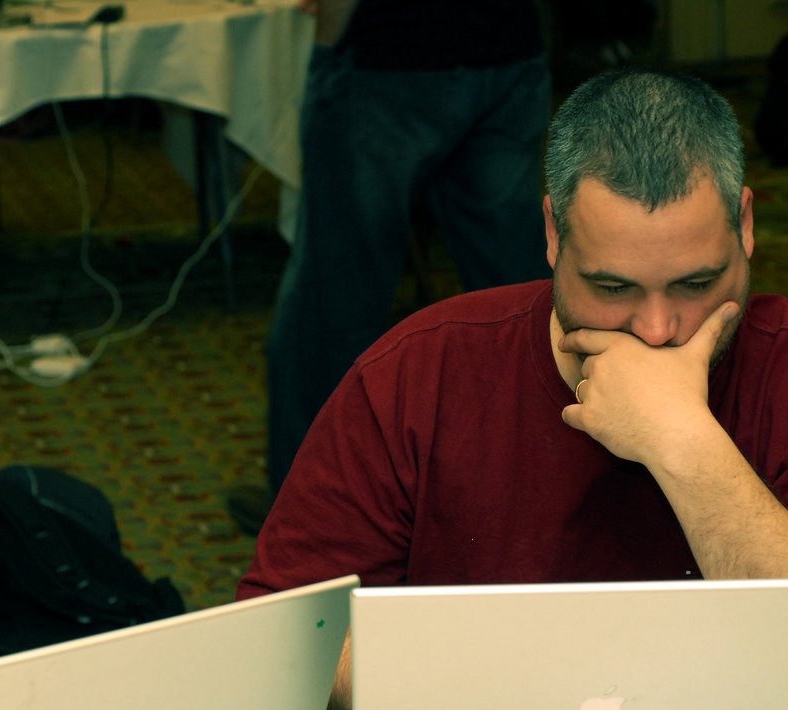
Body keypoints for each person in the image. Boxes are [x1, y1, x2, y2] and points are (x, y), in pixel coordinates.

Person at [236, 68, 788, 710]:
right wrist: (527, 686)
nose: (657, 330)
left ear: (746, 226)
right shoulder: (421, 372)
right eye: (612, 288)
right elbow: (278, 642)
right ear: (554, 235)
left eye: (695, 284)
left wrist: (684, 444)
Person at [228, 0, 554, 534]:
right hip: (506, 50)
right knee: (520, 298)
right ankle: (547, 490)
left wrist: (327, 48)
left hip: (388, 58)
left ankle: (311, 513)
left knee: (335, 297)